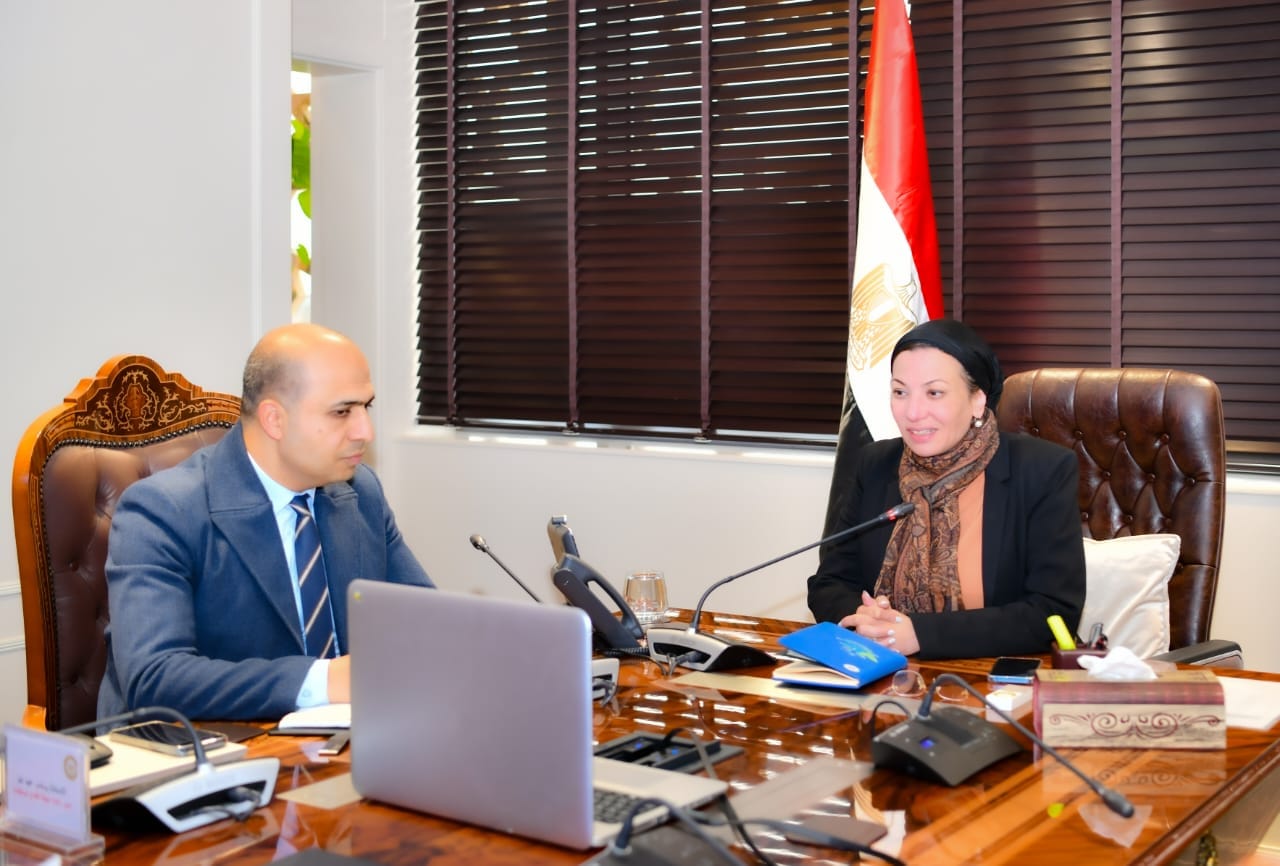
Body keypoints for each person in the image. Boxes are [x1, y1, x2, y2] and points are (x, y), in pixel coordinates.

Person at [98, 323, 434, 720]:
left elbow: (424, 624)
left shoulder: (361, 492)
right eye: (342, 412)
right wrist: (324, 681)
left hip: (347, 740)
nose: (365, 431)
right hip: (209, 744)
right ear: (274, 419)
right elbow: (155, 677)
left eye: (367, 408)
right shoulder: (162, 511)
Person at [807, 319, 1084, 659]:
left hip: (991, 676)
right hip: (882, 668)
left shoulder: (1042, 470)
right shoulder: (876, 464)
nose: (913, 412)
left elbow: (1053, 611)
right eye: (900, 392)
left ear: (978, 400)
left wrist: (920, 634)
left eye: (934, 393)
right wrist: (865, 619)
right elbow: (828, 584)